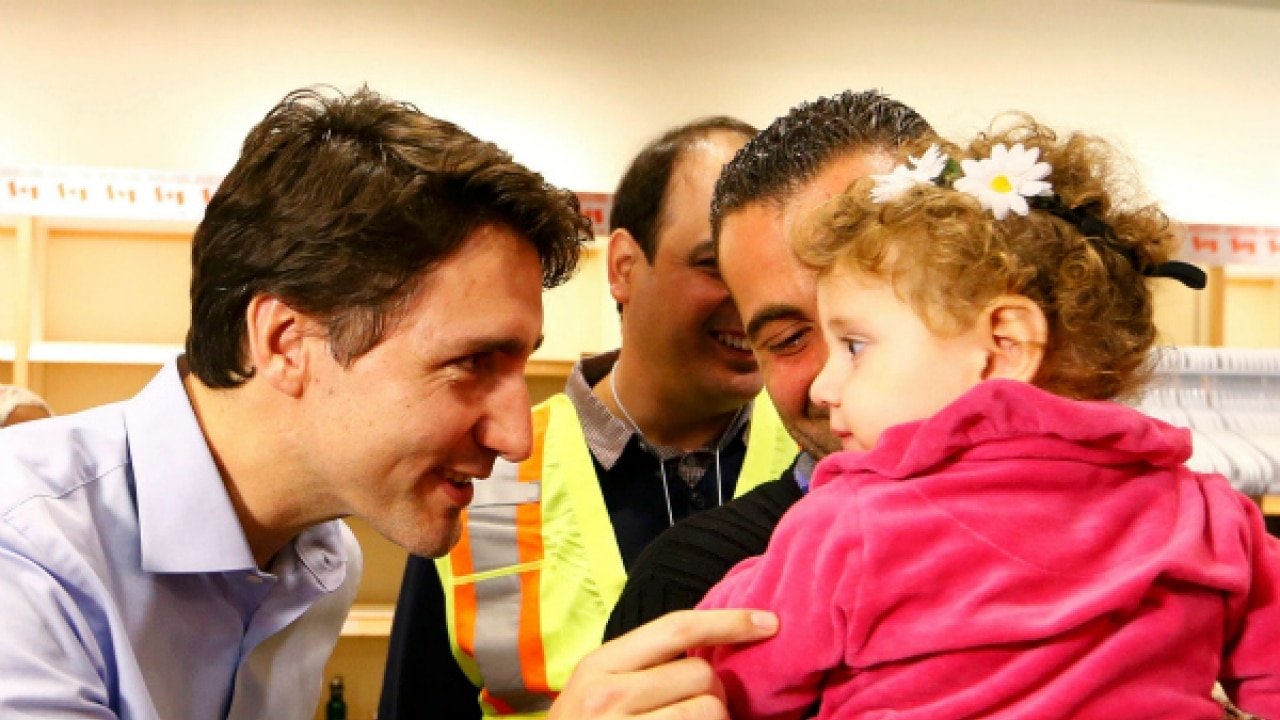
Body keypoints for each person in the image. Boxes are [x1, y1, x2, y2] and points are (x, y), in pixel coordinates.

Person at [0, 86, 777, 720]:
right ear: (284, 341)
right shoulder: (27, 558)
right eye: (472, 362)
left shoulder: (317, 560)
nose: (517, 436)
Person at [691, 116, 1280, 719]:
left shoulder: (851, 525)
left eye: (856, 346)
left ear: (1004, 345)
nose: (825, 382)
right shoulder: (1210, 517)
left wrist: (744, 590)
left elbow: (729, 680)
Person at [379, 117, 798, 719]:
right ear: (625, 265)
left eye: (772, 273)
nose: (758, 303)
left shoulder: (831, 460)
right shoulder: (480, 474)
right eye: (715, 265)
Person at [606, 90, 932, 637]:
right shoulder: (695, 594)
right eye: (788, 338)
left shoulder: (1117, 517)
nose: (834, 378)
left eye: (882, 309)